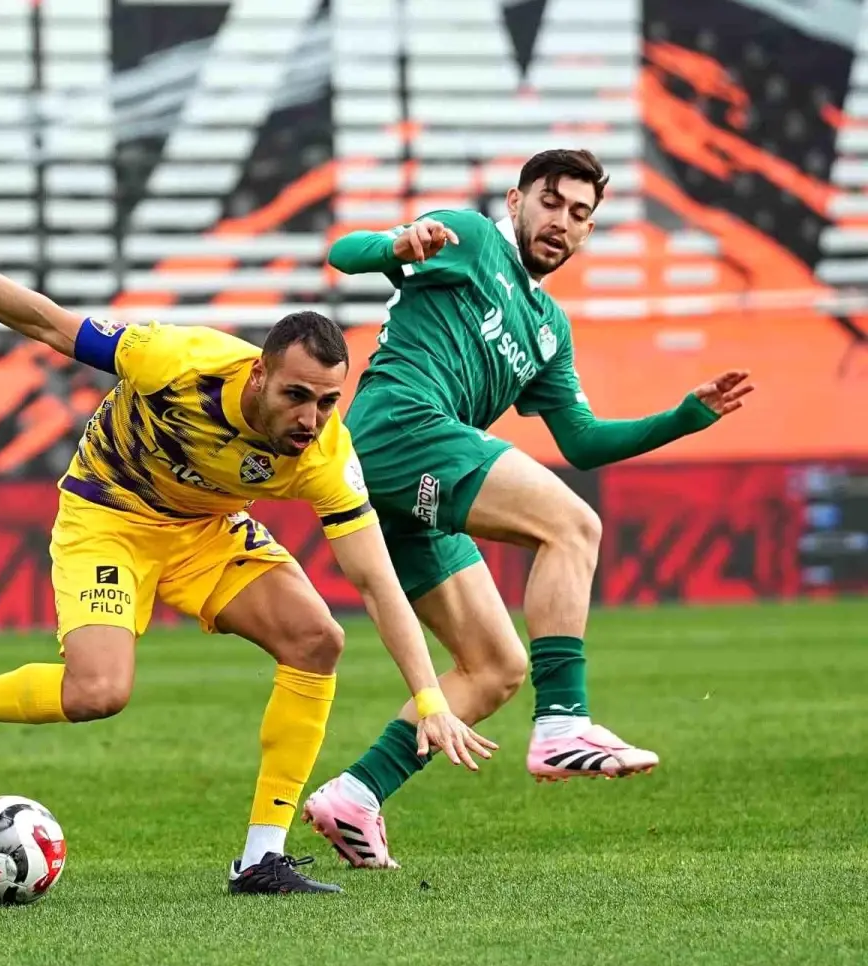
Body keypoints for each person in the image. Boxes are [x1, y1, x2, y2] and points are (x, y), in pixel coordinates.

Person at [0, 183, 496, 895]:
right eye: (297, 396)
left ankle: (262, 856)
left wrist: (431, 697)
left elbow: (378, 581)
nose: (311, 417)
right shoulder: (176, 360)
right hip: (111, 512)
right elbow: (44, 322)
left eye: (327, 401)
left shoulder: (323, 454)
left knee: (317, 638)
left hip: (206, 529)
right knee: (99, 691)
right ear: (259, 374)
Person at [302, 149, 755, 869]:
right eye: (551, 202)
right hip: (400, 429)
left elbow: (580, 440)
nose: (563, 223)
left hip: (415, 476)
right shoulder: (471, 238)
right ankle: (564, 721)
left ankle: (356, 794)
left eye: (580, 215)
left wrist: (684, 416)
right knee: (574, 524)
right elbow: (343, 252)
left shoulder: (549, 327)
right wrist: (398, 244)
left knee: (495, 667)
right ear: (516, 202)